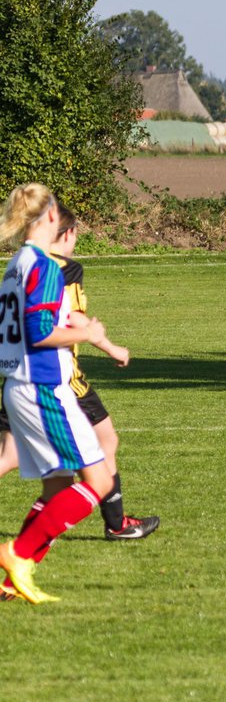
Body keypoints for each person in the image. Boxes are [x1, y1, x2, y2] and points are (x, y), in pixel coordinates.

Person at [0, 207, 159, 543]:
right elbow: (72, 318)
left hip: (18, 374)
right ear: (67, 233)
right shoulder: (62, 268)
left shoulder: (19, 263)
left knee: (10, 456)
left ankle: (27, 553)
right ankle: (116, 524)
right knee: (105, 444)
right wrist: (110, 346)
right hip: (55, 377)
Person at [0, 184, 115, 603]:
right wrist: (85, 331)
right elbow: (40, 331)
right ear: (51, 216)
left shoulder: (15, 264)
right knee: (98, 481)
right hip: (43, 387)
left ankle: (14, 580)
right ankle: (15, 553)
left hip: (19, 386)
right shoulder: (45, 267)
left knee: (56, 488)